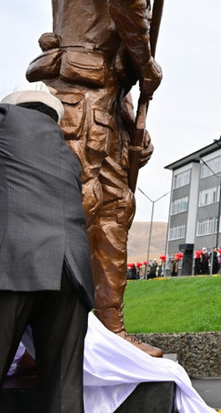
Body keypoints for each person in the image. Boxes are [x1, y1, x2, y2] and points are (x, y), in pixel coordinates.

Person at [25, 0, 163, 356]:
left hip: (105, 98)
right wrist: (145, 60)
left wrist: (130, 119)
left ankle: (109, 334)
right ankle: (43, 342)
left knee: (114, 211)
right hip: (81, 100)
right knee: (77, 210)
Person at [0, 83, 96, 412]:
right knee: (63, 387)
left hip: (16, 263)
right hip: (72, 274)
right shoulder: (68, 156)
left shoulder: (4, 123)